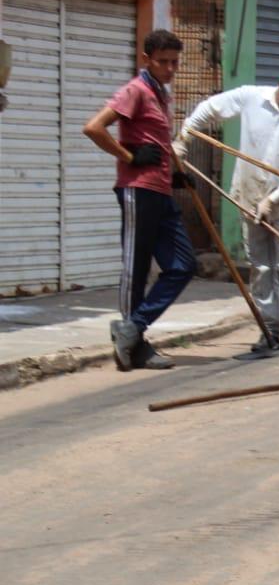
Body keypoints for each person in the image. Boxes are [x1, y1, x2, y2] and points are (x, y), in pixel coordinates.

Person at [175, 64, 279, 354]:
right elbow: (211, 108)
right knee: (260, 266)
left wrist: (274, 199)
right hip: (248, 195)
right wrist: (184, 137)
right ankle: (269, 328)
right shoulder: (251, 97)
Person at [83, 29, 195, 372]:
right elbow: (94, 127)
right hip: (137, 189)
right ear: (147, 59)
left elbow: (156, 142)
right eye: (163, 62)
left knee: (183, 265)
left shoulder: (161, 94)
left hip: (160, 190)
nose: (170, 69)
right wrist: (129, 157)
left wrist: (173, 174)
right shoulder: (136, 90)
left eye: (175, 62)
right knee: (137, 268)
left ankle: (132, 329)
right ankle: (136, 345)